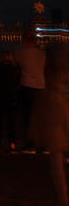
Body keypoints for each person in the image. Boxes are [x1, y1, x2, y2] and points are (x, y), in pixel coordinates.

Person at [28, 48, 69, 206]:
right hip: (58, 135)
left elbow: (38, 115)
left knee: (57, 169)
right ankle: (63, 197)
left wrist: (36, 135)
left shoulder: (48, 95)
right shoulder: (56, 95)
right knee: (58, 168)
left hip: (55, 136)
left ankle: (63, 197)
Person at [15, 31, 46, 154]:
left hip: (27, 86)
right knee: (40, 117)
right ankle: (44, 145)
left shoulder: (21, 54)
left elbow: (16, 64)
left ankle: (30, 145)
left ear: (25, 41)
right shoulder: (42, 54)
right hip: (41, 86)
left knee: (27, 117)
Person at [0, 50, 20, 152]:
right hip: (11, 98)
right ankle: (12, 143)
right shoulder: (15, 69)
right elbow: (17, 83)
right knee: (11, 122)